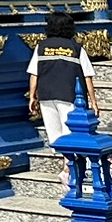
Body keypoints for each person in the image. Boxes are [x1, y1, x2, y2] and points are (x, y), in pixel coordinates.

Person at [26, 9, 98, 143]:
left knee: (54, 135)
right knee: (70, 132)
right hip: (69, 96)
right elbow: (88, 76)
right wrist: (93, 101)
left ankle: (64, 162)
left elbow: (34, 74)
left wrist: (32, 96)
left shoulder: (41, 47)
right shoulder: (76, 48)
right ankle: (67, 163)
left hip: (46, 96)